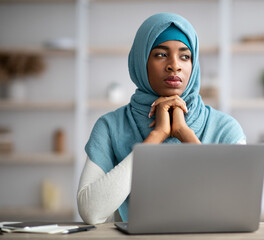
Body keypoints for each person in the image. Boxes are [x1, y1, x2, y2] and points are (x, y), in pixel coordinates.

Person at [77, 12, 246, 225]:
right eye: (160, 54)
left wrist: (187, 136)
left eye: (185, 56)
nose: (174, 65)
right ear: (141, 61)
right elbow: (91, 212)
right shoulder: (111, 127)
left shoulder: (225, 128)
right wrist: (155, 137)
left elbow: (236, 209)